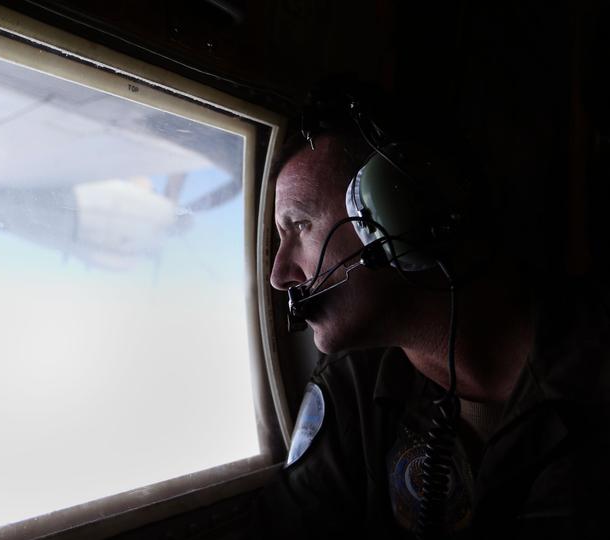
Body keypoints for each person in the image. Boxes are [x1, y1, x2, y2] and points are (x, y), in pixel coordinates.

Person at [252, 104, 610, 539]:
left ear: (396, 213)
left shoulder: (594, 360)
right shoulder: (350, 389)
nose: (278, 275)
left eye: (300, 226)